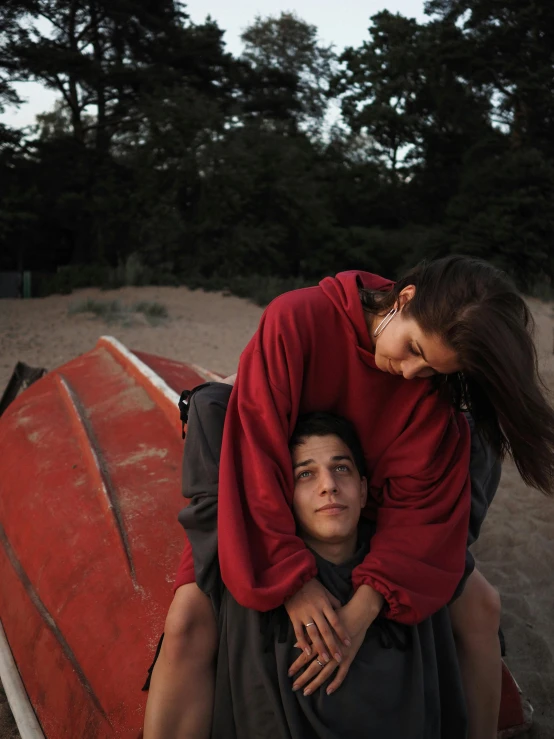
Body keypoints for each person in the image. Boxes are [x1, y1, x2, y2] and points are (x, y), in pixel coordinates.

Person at [143, 256, 554, 739]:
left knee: (482, 606)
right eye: (413, 348)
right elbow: (255, 451)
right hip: (276, 498)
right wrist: (290, 581)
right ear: (404, 299)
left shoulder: (433, 383)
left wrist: (364, 608)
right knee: (187, 621)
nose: (409, 372)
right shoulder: (298, 319)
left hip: (371, 507)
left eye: (431, 368)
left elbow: (421, 502)